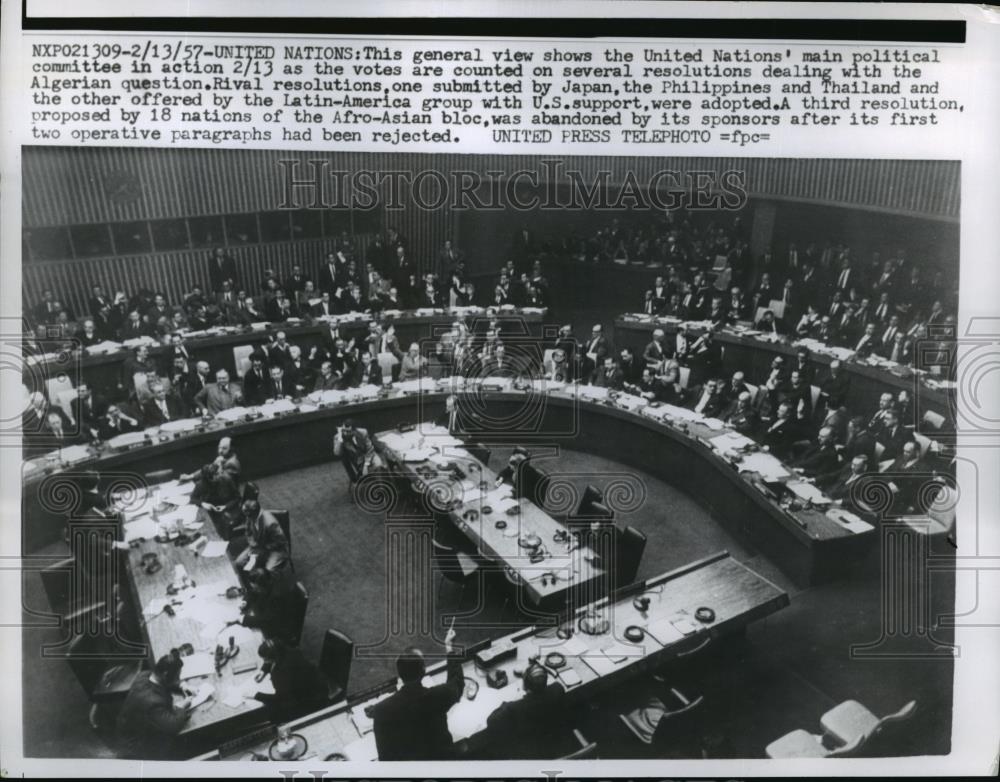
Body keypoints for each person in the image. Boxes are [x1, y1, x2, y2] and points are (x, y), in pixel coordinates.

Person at [372, 625, 463, 761]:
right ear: (423, 671)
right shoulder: (438, 696)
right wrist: (449, 647)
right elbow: (457, 683)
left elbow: (385, 758)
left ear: (400, 675)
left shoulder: (381, 711)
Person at [115, 650, 193, 760]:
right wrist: (181, 706)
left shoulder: (145, 676)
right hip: (138, 749)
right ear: (166, 674)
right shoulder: (152, 703)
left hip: (133, 729)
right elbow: (172, 725)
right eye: (177, 677)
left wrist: (183, 685)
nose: (178, 679)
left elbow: (165, 682)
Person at [483, 663, 568, 759]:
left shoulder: (513, 708)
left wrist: (510, 702)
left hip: (530, 756)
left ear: (524, 686)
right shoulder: (558, 689)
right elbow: (555, 686)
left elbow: (491, 721)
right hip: (553, 743)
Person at [253, 638, 330, 723]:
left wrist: (257, 695)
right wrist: (263, 671)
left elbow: (282, 698)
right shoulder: (290, 651)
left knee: (271, 714)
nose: (264, 661)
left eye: (265, 659)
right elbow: (272, 656)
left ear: (273, 658)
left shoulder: (284, 671)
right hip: (317, 686)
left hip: (309, 701)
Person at [234, 500, 290, 573]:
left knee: (268, 572)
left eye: (247, 514)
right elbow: (248, 532)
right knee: (239, 562)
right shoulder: (249, 516)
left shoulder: (270, 523)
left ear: (254, 513)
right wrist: (252, 542)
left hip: (275, 549)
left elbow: (281, 541)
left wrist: (264, 548)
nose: (245, 517)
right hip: (258, 545)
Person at [333, 418, 381, 484]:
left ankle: (380, 484)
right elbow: (337, 453)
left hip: (368, 454)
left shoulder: (363, 432)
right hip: (355, 460)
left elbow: (369, 449)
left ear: (354, 430)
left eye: (349, 431)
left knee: (378, 464)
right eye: (344, 431)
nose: (346, 433)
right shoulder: (338, 437)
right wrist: (340, 439)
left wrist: (366, 465)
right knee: (365, 476)